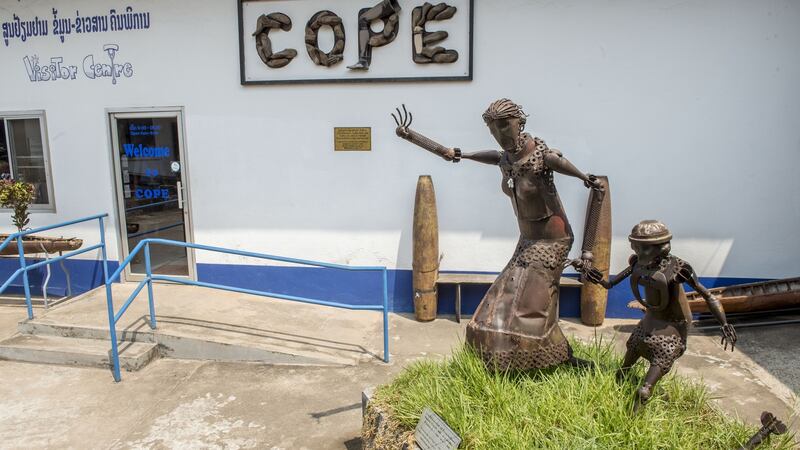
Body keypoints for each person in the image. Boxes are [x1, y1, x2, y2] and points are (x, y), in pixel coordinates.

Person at [393, 99, 603, 370]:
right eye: (493, 129)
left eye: (505, 126)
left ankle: (548, 361)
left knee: (530, 309)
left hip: (552, 242)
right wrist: (437, 146)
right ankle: (546, 359)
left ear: (520, 122)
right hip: (526, 241)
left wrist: (587, 253)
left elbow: (597, 189)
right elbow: (483, 156)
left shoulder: (545, 158)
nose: (500, 134)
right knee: (497, 307)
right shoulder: (505, 159)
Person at [579, 220, 737, 409]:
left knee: (650, 366)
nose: (639, 252)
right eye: (636, 247)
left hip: (672, 326)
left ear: (663, 247)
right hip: (650, 320)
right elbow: (609, 284)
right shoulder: (637, 262)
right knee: (627, 364)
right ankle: (628, 390)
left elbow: (708, 295)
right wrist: (588, 271)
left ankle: (640, 399)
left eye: (643, 248)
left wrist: (724, 323)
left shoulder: (679, 269)